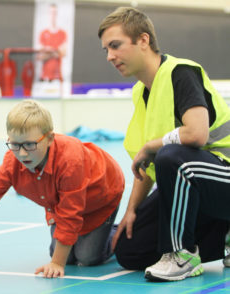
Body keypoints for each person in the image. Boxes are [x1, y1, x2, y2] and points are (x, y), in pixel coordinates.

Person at [98, 7, 230, 281]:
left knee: (172, 156)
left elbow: (196, 134)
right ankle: (224, 234)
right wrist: (131, 211)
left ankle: (181, 253)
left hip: (220, 175)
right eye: (106, 50)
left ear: (143, 40)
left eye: (115, 46)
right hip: (197, 183)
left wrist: (153, 146)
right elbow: (143, 164)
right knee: (129, 251)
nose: (110, 56)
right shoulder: (140, 92)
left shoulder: (181, 72)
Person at [0, 100, 125, 278]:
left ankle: (118, 232)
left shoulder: (70, 161)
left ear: (49, 139)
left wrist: (56, 263)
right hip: (61, 203)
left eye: (30, 145)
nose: (22, 154)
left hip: (102, 196)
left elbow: (70, 215)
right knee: (69, 256)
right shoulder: (12, 162)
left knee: (87, 258)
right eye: (15, 145)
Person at [38, 3, 67, 82]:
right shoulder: (43, 33)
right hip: (44, 77)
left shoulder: (62, 33)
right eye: (51, 13)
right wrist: (55, 51)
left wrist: (49, 51)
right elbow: (39, 56)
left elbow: (63, 53)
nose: (53, 16)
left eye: (55, 13)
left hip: (58, 77)